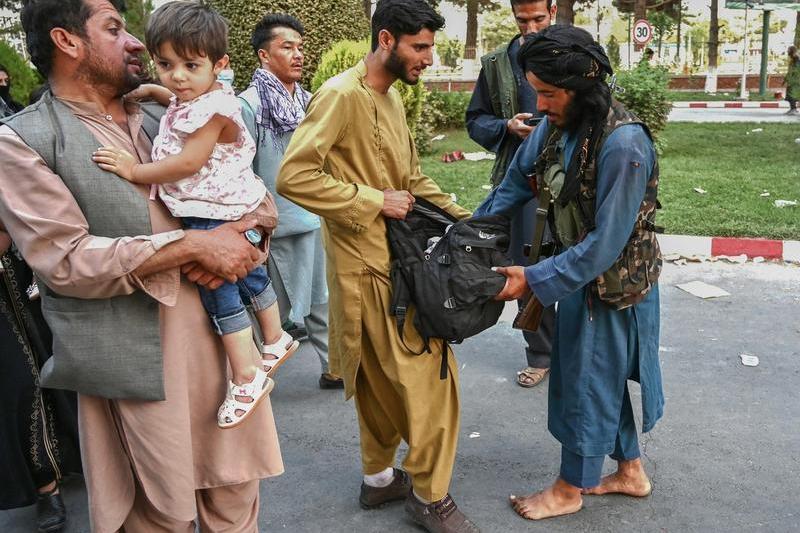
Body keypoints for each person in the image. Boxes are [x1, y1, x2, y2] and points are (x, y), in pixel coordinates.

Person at [0, 0, 283, 530]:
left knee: (234, 500)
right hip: (135, 365)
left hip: (225, 350)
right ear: (68, 42)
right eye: (114, 28)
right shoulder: (25, 140)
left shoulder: (172, 110)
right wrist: (192, 247)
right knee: (156, 515)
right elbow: (64, 260)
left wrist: (245, 236)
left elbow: (255, 197)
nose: (135, 42)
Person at [277, 1, 479, 531]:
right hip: (369, 270)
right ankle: (430, 497)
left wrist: (470, 221)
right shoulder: (342, 95)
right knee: (434, 378)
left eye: (431, 47)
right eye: (420, 47)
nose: (429, 59)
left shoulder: (389, 98)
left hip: (394, 262)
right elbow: (293, 177)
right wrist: (372, 200)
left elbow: (410, 180)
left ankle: (379, 480)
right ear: (386, 40)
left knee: (381, 382)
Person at [475, 25, 664, 520]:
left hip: (610, 285)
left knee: (584, 383)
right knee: (601, 380)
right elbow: (514, 183)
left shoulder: (624, 145)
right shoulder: (557, 125)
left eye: (548, 94)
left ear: (582, 88)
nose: (539, 105)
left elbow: (605, 244)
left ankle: (567, 489)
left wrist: (533, 278)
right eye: (536, 91)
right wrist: (468, 234)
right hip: (577, 274)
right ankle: (630, 472)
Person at [92, 1, 298, 428]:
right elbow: (183, 99)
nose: (178, 77)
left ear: (219, 63)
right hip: (231, 204)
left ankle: (246, 374)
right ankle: (275, 338)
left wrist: (135, 170)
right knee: (252, 278)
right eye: (165, 64)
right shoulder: (203, 96)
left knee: (220, 291)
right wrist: (154, 91)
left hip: (212, 213)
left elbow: (188, 163)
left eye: (190, 64)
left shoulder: (215, 112)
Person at [239, 13, 342, 389]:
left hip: (314, 219)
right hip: (272, 225)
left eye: (300, 47)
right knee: (269, 308)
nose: (298, 55)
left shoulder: (310, 102)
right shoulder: (247, 107)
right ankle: (248, 376)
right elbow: (241, 169)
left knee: (322, 299)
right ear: (264, 56)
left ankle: (335, 369)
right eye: (287, 47)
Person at [465, 0, 556, 389]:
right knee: (527, 265)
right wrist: (507, 126)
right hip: (522, 184)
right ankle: (541, 354)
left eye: (539, 18)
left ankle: (580, 353)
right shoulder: (497, 63)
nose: (531, 27)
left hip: (570, 181)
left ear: (552, 11)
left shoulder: (572, 51)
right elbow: (475, 120)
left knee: (577, 264)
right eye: (523, 20)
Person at [0, 231, 81, 533]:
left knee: (61, 359)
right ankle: (45, 485)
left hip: (31, 264)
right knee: (15, 382)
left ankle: (89, 454)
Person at [784, 45, 799, 115]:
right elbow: (790, 71)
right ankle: (793, 109)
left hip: (795, 82)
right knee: (791, 95)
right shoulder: (793, 60)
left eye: (789, 50)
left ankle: (793, 109)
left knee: (792, 96)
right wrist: (785, 80)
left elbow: (794, 71)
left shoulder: (797, 60)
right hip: (792, 81)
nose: (787, 52)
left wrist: (789, 80)